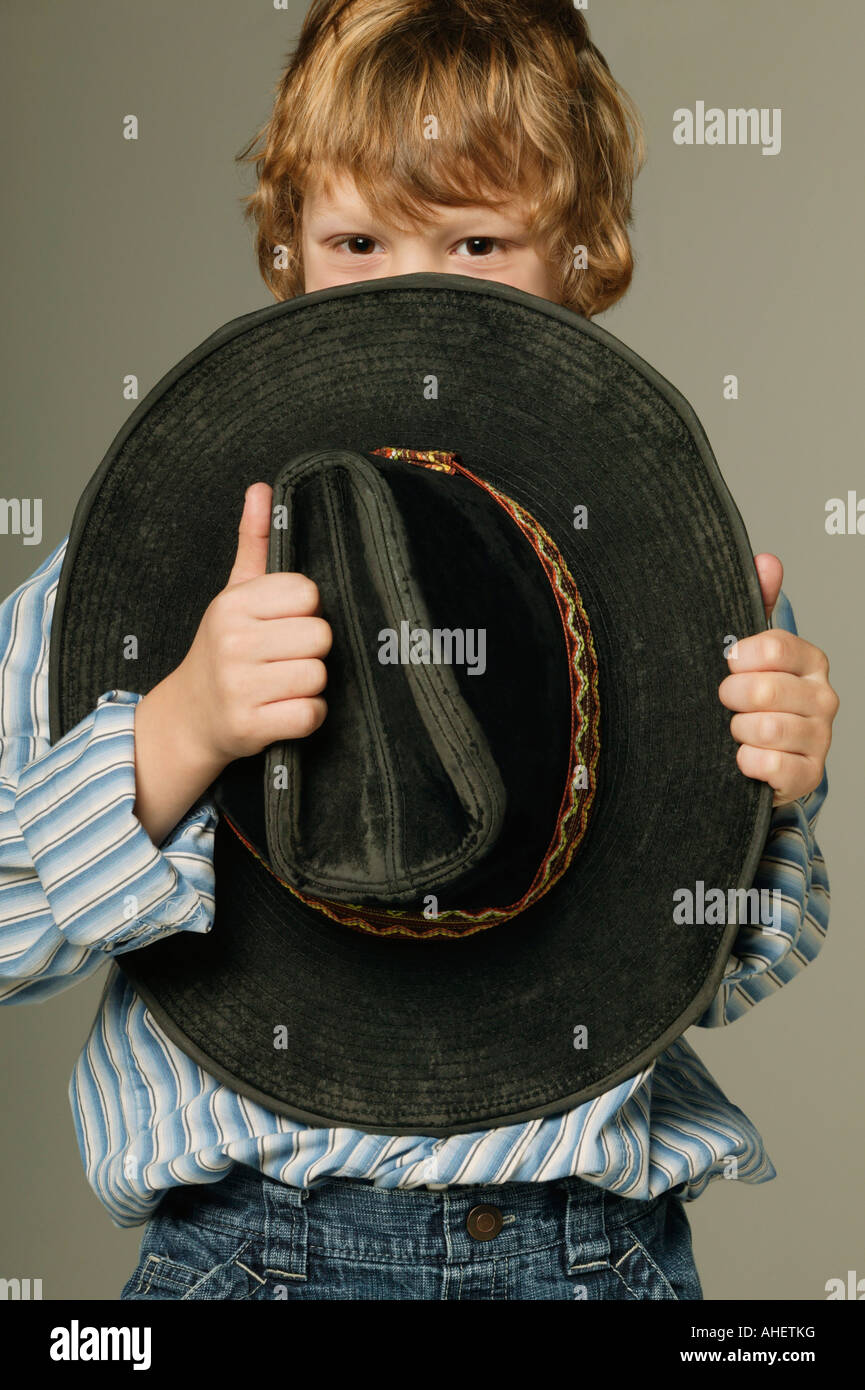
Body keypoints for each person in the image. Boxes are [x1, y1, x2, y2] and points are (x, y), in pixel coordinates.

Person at [0, 0, 838, 1300]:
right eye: (357, 239)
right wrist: (176, 734)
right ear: (289, 249)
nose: (411, 291)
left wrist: (768, 798)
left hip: (586, 1253)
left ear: (584, 257)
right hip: (258, 1250)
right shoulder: (148, 554)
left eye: (476, 239)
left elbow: (726, 968)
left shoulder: (667, 568)